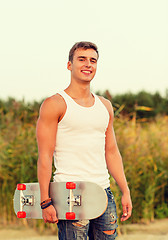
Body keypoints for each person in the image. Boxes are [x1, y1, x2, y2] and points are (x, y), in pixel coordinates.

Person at [36, 41, 132, 240]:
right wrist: (45, 201)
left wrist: (125, 190)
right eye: (82, 59)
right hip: (70, 193)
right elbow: (45, 156)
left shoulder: (105, 106)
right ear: (69, 65)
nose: (88, 64)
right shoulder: (55, 104)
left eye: (93, 60)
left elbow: (112, 152)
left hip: (103, 193)